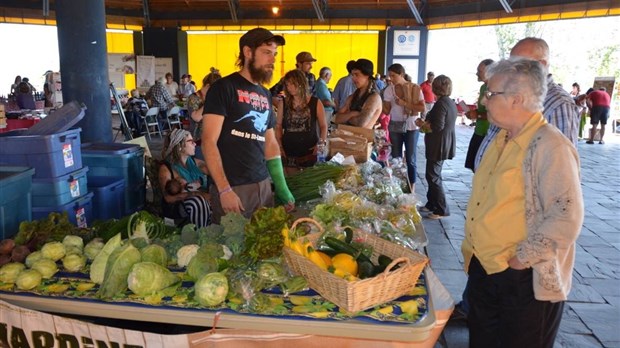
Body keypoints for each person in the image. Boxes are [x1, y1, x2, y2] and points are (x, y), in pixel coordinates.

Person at [461, 58, 584, 348]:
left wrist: (520, 261)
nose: (484, 100)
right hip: (486, 270)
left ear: (517, 99)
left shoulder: (550, 145)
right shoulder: (502, 137)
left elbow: (566, 217)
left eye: (490, 93)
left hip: (522, 278)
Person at [202, 27, 295, 223]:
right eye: (266, 53)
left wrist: (281, 186)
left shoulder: (265, 93)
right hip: (233, 188)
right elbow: (208, 141)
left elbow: (269, 142)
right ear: (247, 52)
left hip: (262, 184)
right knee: (232, 249)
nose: (272, 60)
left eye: (274, 54)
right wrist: (224, 189)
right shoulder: (223, 88)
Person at [475, 37, 580, 170]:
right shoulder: (510, 92)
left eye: (518, 64)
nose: (510, 69)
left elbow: (561, 168)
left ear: (541, 65)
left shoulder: (559, 104)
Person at [415, 75, 456, 219]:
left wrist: (422, 124)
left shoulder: (441, 104)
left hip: (439, 144)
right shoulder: (448, 102)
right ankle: (431, 203)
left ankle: (441, 209)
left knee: (433, 176)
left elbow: (437, 126)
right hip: (442, 143)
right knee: (431, 174)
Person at [382, 63, 425, 190]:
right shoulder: (389, 90)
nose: (390, 78)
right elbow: (386, 111)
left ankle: (412, 187)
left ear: (401, 74)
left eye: (393, 76)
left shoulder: (415, 88)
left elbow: (422, 107)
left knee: (411, 159)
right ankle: (398, 186)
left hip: (412, 126)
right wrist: (381, 102)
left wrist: (404, 103)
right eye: (389, 76)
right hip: (395, 125)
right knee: (396, 157)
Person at [159, 129, 213, 228]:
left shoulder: (194, 162)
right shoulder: (166, 168)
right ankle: (201, 234)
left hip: (201, 200)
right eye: (191, 141)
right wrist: (197, 194)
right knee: (198, 201)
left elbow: (214, 170)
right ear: (180, 146)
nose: (195, 144)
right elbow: (168, 198)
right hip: (177, 206)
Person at [276, 69, 328, 170]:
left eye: (292, 84)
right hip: (288, 152)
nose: (289, 87)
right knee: (291, 182)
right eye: (287, 85)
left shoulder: (315, 102)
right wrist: (279, 146)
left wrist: (321, 143)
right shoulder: (283, 102)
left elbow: (323, 126)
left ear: (301, 83)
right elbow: (278, 125)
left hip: (309, 151)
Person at [333, 58, 383, 129]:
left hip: (364, 138)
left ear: (367, 75)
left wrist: (346, 116)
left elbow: (361, 123)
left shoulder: (374, 97)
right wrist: (352, 114)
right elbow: (336, 119)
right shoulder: (353, 96)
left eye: (357, 75)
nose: (353, 78)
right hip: (349, 137)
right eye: (352, 75)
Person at [464, 59, 494, 172]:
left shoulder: (495, 88)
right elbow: (483, 108)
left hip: (488, 133)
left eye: (479, 71)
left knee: (482, 168)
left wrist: (478, 115)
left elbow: (495, 113)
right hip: (478, 131)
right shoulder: (483, 88)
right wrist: (474, 113)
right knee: (474, 165)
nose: (477, 73)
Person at [187, 68, 222, 160]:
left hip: (214, 139)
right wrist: (210, 101)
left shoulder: (215, 98)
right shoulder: (193, 98)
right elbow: (196, 117)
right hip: (198, 141)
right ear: (207, 86)